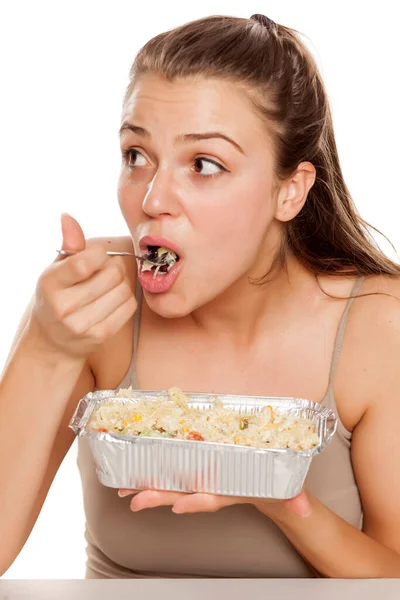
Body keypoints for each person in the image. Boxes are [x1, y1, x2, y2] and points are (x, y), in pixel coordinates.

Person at [1, 13, 400, 579]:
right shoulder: (94, 307)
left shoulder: (378, 326)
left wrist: (287, 504)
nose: (153, 199)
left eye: (204, 165)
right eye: (136, 156)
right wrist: (48, 346)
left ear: (290, 190)